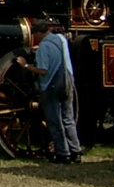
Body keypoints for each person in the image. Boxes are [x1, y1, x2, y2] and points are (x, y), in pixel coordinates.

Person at [16, 20, 83, 164]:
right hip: (68, 82)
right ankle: (76, 151)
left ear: (40, 33)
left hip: (52, 86)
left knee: (54, 121)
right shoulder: (61, 39)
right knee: (68, 119)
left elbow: (43, 70)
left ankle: (62, 153)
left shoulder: (44, 47)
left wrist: (25, 65)